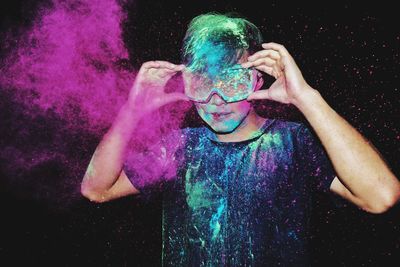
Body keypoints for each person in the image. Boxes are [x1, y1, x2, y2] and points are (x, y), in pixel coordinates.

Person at [81, 13, 400, 266]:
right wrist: (131, 111)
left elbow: (381, 195)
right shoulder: (178, 147)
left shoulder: (293, 142)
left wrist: (306, 98)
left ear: (257, 79)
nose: (216, 100)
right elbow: (96, 189)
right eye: (203, 83)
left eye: (232, 82)